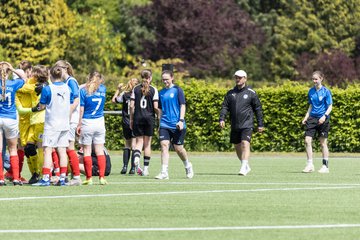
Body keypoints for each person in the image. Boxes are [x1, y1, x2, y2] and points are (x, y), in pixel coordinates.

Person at [219, 70, 264, 176]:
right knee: (237, 146)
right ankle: (245, 165)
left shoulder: (251, 93)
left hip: (247, 124)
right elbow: (225, 107)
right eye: (236, 77)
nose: (237, 79)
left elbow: (258, 109)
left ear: (245, 79)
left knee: (245, 143)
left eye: (240, 77)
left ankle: (243, 166)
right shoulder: (230, 93)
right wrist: (222, 119)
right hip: (235, 124)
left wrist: (260, 124)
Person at [32, 65, 71, 186]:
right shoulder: (67, 87)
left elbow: (42, 106)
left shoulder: (48, 89)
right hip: (65, 123)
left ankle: (45, 178)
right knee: (62, 150)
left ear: (50, 75)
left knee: (47, 150)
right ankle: (62, 178)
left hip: (52, 124)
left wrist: (35, 108)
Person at [155, 70, 194, 180]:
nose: (165, 81)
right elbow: (160, 110)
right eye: (163, 79)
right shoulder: (161, 92)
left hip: (177, 124)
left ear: (172, 78)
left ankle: (188, 165)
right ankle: (164, 172)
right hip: (164, 124)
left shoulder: (178, 90)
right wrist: (159, 124)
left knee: (179, 149)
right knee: (164, 145)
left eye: (167, 79)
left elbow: (182, 106)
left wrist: (181, 120)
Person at [76, 71, 107, 185]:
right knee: (100, 151)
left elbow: (81, 109)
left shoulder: (83, 91)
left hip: (87, 122)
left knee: (87, 151)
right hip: (99, 122)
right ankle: (102, 177)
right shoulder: (103, 89)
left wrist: (79, 124)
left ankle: (89, 178)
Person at [0, 61, 27, 185]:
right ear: (8, 73)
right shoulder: (14, 83)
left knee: (0, 150)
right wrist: (13, 69)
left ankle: (1, 178)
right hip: (11, 119)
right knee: (12, 150)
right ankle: (16, 178)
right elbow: (25, 78)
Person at [55, 60, 81, 185]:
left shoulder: (71, 81)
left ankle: (76, 177)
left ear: (64, 69)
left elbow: (75, 100)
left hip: (71, 120)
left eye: (58, 68)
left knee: (69, 147)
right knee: (62, 147)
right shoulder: (63, 82)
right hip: (64, 119)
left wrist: (68, 115)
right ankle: (63, 175)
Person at [302, 71, 333, 173]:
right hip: (312, 118)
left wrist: (324, 116)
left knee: (323, 143)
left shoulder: (326, 91)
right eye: (313, 79)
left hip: (323, 118)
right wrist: (306, 117)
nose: (314, 81)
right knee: (307, 140)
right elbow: (311, 106)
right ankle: (310, 164)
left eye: (316, 79)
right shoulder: (311, 91)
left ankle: (325, 166)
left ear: (321, 79)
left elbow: (330, 106)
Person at [129, 69, 159, 176]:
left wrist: (131, 119)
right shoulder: (154, 90)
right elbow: (155, 107)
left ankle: (136, 158)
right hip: (149, 119)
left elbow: (131, 106)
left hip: (138, 118)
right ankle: (146, 169)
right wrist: (159, 118)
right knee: (147, 145)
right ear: (150, 78)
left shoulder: (136, 89)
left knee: (138, 143)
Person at [111, 78, 138, 174]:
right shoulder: (140, 94)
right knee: (134, 145)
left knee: (127, 144)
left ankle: (125, 166)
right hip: (136, 122)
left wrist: (118, 89)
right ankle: (133, 168)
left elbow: (114, 100)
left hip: (126, 121)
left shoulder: (125, 94)